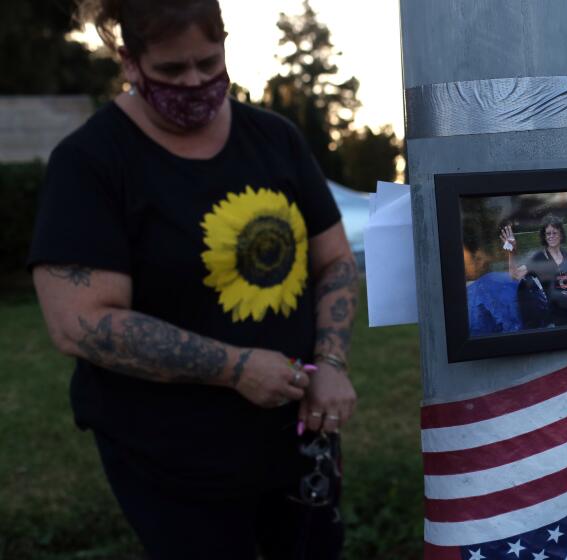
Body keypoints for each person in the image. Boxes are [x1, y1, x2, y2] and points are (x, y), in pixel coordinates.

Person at [27, 1, 357, 558]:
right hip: (172, 457)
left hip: (295, 443)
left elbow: (334, 261)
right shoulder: (91, 161)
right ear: (130, 61)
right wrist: (235, 368)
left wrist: (330, 364)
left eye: (209, 61)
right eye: (174, 71)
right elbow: (80, 323)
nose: (198, 82)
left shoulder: (275, 139)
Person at [499, 216, 567, 328]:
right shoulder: (539, 258)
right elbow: (515, 275)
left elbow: (566, 277)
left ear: (561, 235)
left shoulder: (565, 253)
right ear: (544, 236)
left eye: (554, 233)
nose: (551, 236)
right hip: (558, 319)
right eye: (548, 233)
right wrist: (512, 252)